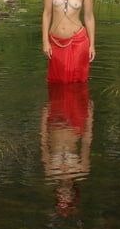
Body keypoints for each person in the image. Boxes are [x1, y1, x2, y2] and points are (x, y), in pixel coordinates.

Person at [40, 82, 93, 217]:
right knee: (74, 88)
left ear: (56, 193)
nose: (63, 193)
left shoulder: (50, 171)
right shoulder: (82, 170)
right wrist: (90, 115)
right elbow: (87, 141)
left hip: (55, 122)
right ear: (74, 193)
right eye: (66, 196)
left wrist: (44, 117)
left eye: (60, 196)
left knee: (59, 89)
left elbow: (43, 142)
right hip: (74, 121)